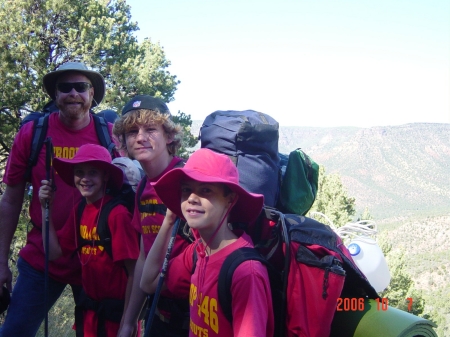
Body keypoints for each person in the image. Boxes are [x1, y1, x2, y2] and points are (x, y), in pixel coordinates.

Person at [0, 61, 113, 336]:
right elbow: (11, 199)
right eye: (65, 88)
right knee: (14, 332)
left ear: (91, 95)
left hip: (94, 258)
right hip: (42, 257)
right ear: (55, 95)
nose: (73, 93)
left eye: (81, 87)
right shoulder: (33, 133)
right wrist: (1, 261)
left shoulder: (108, 135)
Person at [141, 148, 274, 337]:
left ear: (230, 200)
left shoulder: (246, 271)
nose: (192, 198)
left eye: (206, 190)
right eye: (186, 190)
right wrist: (169, 220)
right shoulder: (197, 252)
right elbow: (148, 283)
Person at [38, 143, 139, 336]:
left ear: (105, 176)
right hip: (89, 314)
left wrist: (128, 323)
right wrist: (45, 209)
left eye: (93, 172)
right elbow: (53, 252)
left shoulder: (117, 215)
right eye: (79, 172)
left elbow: (134, 272)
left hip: (116, 318)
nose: (85, 179)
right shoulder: (80, 210)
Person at [113, 95, 191, 337]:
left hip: (195, 311)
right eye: (132, 131)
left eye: (150, 129)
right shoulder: (144, 187)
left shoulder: (188, 181)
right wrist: (128, 322)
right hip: (159, 310)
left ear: (169, 136)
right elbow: (143, 257)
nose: (140, 137)